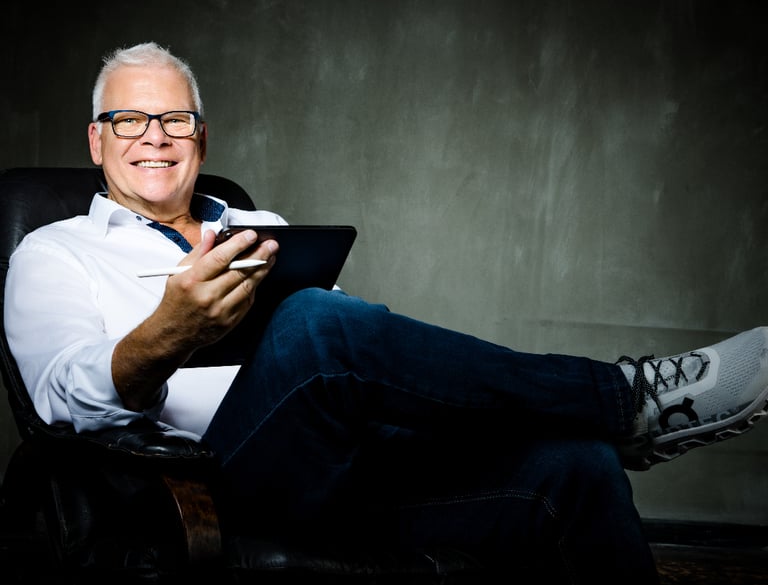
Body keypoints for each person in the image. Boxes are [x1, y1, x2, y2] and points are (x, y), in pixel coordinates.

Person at [4, 41, 768, 584]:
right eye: (131, 121)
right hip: (208, 485)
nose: (156, 138)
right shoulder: (53, 252)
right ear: (96, 143)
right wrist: (170, 333)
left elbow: (352, 361)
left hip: (350, 466)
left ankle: (612, 425)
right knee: (314, 324)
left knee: (577, 467)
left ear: (200, 136)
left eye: (175, 118)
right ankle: (629, 398)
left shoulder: (258, 226)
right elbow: (61, 399)